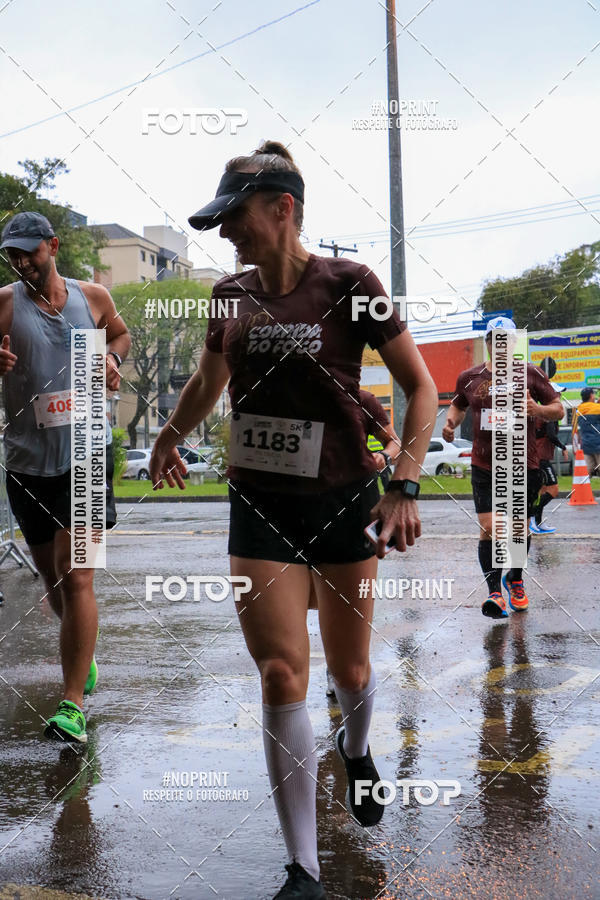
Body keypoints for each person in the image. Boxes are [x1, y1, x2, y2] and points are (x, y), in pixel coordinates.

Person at [150, 141, 437, 899]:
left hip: (345, 497)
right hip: (259, 502)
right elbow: (208, 382)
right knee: (281, 672)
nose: (226, 234)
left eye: (235, 217)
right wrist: (169, 436)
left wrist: (405, 484)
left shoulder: (350, 284)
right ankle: (302, 869)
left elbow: (421, 387)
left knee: (350, 670)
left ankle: (358, 748)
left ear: (282, 208)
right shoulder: (228, 297)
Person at [0, 211, 130, 744]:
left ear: (53, 246)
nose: (22, 261)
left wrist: (113, 361)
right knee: (54, 582)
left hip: (86, 455)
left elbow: (119, 335)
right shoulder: (4, 304)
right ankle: (83, 651)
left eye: (30, 251)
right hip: (27, 461)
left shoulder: (92, 297)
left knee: (78, 576)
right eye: (13, 254)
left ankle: (72, 703)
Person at [442, 316, 563, 619]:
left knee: (519, 529)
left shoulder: (531, 374)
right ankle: (495, 593)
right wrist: (450, 423)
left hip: (524, 463)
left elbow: (558, 408)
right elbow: (458, 404)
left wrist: (538, 409)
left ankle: (516, 578)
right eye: (494, 339)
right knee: (490, 528)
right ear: (487, 343)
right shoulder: (469, 377)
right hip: (484, 462)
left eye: (505, 340)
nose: (499, 344)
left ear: (513, 343)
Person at [530, 385, 568, 535]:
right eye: (557, 393)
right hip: (541, 457)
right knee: (553, 489)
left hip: (536, 456)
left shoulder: (540, 411)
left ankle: (537, 523)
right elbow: (551, 435)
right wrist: (563, 447)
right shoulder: (550, 413)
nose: (559, 395)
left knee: (541, 490)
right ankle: (531, 518)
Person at [572, 387, 600, 478]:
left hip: (586, 445)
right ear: (591, 395)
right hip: (598, 444)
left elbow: (588, 410)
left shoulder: (578, 410)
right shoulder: (597, 408)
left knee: (587, 473)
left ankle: (583, 491)